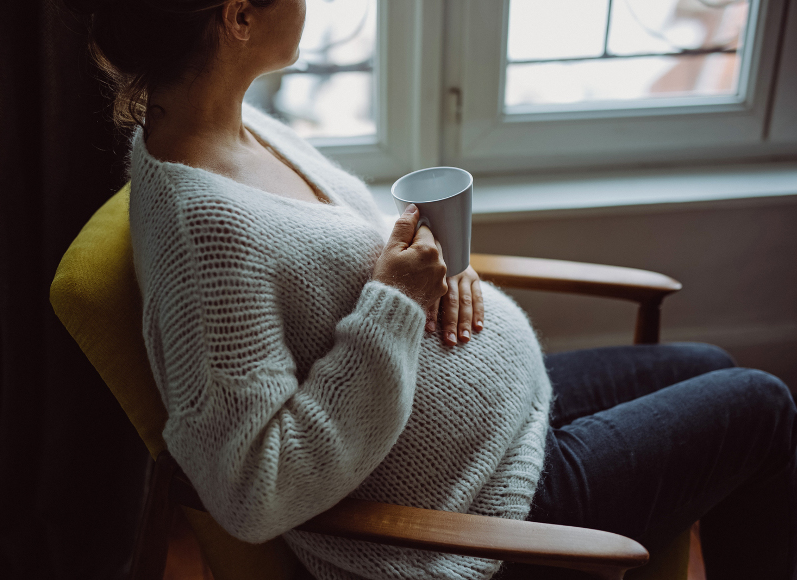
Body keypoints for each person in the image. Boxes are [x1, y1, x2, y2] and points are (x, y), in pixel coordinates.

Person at [64, 1, 797, 578]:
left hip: (505, 424)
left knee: (711, 363)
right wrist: (395, 304)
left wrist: (439, 263)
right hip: (486, 514)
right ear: (239, 16)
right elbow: (255, 488)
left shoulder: (233, 123)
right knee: (765, 405)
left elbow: (330, 262)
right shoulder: (204, 235)